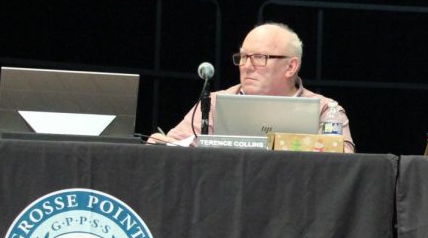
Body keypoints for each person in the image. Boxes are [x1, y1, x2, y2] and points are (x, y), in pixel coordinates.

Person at [152, 22, 355, 151]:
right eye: (243, 57)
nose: (247, 66)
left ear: (290, 66)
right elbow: (173, 145)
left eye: (259, 57)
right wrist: (161, 143)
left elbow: (345, 165)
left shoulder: (326, 110)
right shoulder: (214, 103)